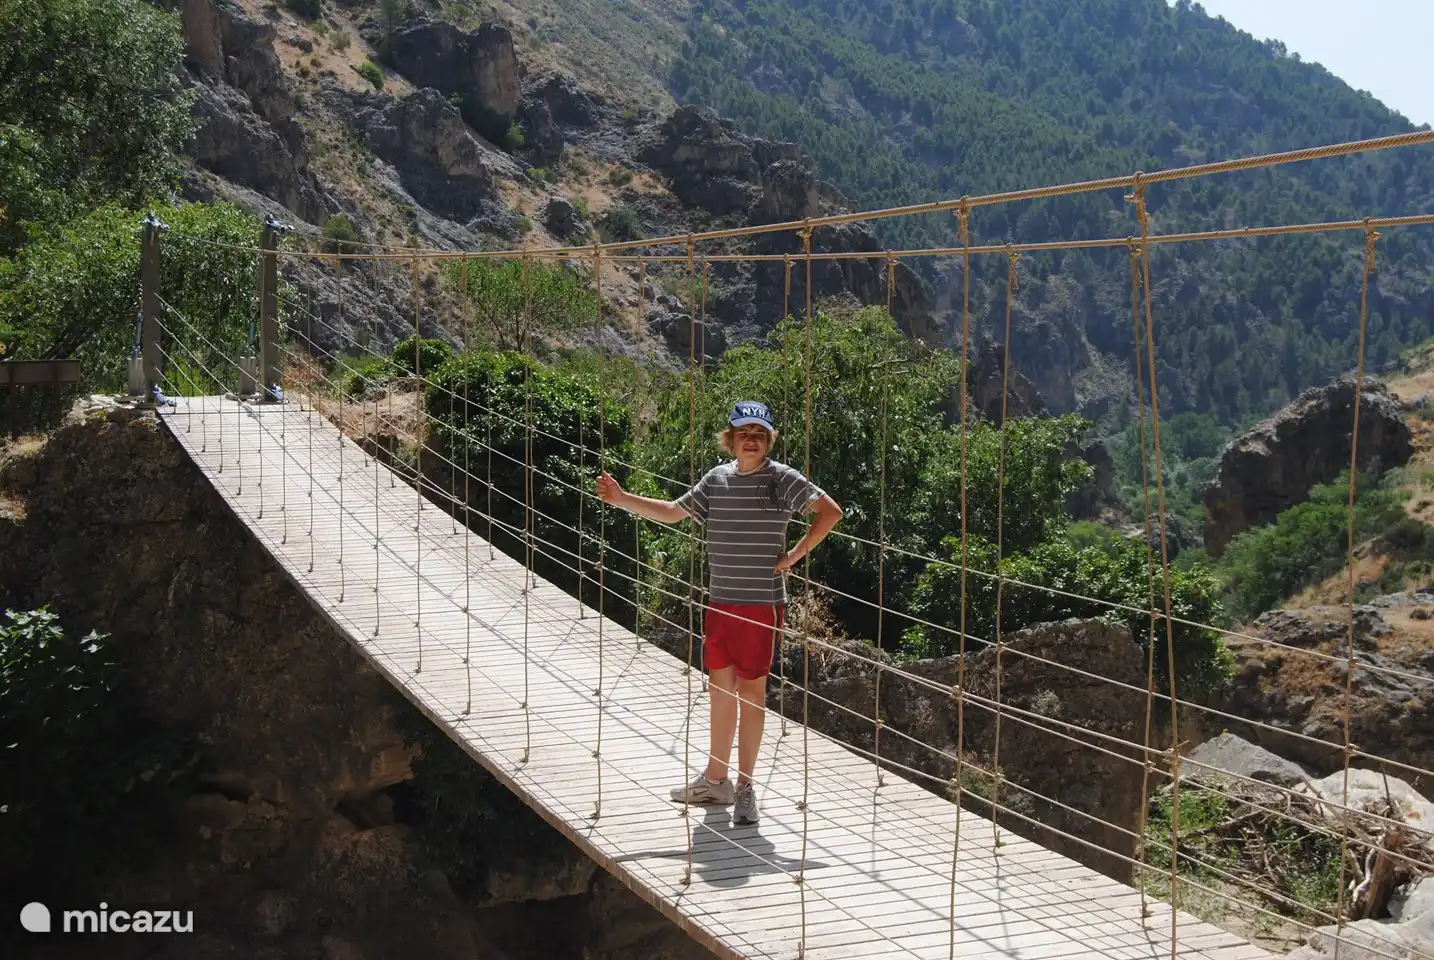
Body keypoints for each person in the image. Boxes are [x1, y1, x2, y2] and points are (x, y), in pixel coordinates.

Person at [595, 400, 842, 825]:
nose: (752, 440)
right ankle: (716, 781)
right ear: (730, 439)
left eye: (760, 434)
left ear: (769, 441)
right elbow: (673, 513)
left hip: (759, 605)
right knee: (720, 692)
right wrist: (620, 499)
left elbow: (830, 512)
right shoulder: (717, 479)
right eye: (744, 433)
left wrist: (794, 556)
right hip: (720, 603)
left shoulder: (782, 479)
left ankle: (745, 787)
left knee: (752, 695)